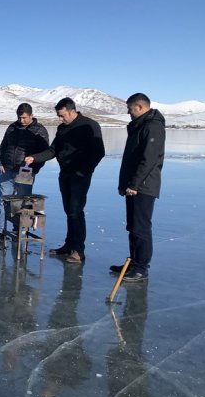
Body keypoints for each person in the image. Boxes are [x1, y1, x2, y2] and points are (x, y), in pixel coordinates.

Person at [25, 97, 105, 263]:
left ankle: (78, 251)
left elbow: (99, 152)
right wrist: (35, 157)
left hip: (80, 176)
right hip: (65, 174)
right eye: (58, 116)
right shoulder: (62, 129)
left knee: (76, 211)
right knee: (69, 211)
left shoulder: (89, 126)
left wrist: (83, 172)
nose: (60, 119)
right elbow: (53, 150)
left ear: (72, 111)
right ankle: (69, 245)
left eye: (62, 115)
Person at [110, 93, 165, 282]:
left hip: (143, 186)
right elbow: (131, 159)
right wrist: (124, 184)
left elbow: (149, 159)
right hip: (133, 185)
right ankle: (132, 263)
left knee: (141, 227)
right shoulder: (140, 126)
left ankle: (141, 268)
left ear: (140, 107)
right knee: (133, 226)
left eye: (130, 108)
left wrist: (134, 184)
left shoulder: (153, 127)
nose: (128, 112)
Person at [0, 103, 49, 242]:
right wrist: (0, 162)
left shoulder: (39, 130)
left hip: (25, 171)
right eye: (19, 117)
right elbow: (3, 146)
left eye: (24, 118)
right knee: (3, 201)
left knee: (23, 202)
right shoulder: (12, 127)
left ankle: (19, 230)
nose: (21, 120)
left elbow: (44, 153)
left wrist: (35, 169)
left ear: (31, 116)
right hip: (7, 169)